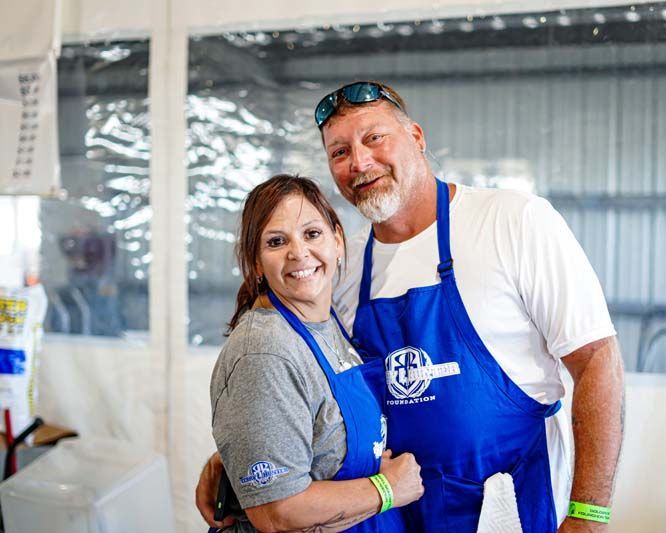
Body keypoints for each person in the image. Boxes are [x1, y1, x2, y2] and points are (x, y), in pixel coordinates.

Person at [199, 82, 625, 532]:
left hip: (507, 508)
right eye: (339, 152)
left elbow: (597, 361)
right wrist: (243, 448)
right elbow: (315, 395)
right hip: (395, 513)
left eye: (374, 138)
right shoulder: (340, 270)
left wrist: (589, 516)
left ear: (416, 137)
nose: (359, 162)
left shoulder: (512, 222)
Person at [208, 174, 423, 533]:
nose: (298, 253)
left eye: (312, 234)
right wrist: (387, 489)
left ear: (337, 240)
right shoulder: (265, 353)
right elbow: (277, 512)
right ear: (257, 263)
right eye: (276, 241)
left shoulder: (324, 321)